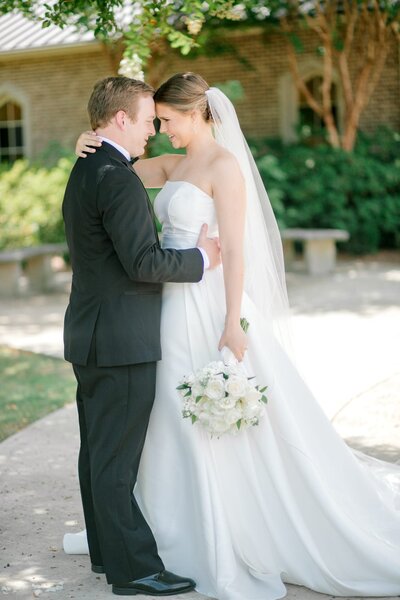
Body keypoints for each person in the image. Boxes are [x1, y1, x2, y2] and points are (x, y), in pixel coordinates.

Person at [70, 73, 400, 600]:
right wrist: (83, 142)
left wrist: (231, 323)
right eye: (155, 121)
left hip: (208, 304)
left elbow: (239, 253)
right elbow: (116, 166)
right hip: (164, 307)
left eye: (168, 120)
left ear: (196, 112)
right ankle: (159, 529)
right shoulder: (174, 164)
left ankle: (217, 528)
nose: (160, 130)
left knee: (202, 417)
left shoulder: (226, 168)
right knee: (163, 418)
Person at [62, 75, 221, 597]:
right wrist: (200, 260)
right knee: (115, 459)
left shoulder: (90, 165)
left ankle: (109, 555)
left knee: (98, 452)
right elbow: (143, 262)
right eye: (149, 120)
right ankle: (136, 571)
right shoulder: (117, 177)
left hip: (92, 333)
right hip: (120, 340)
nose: (152, 130)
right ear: (121, 119)